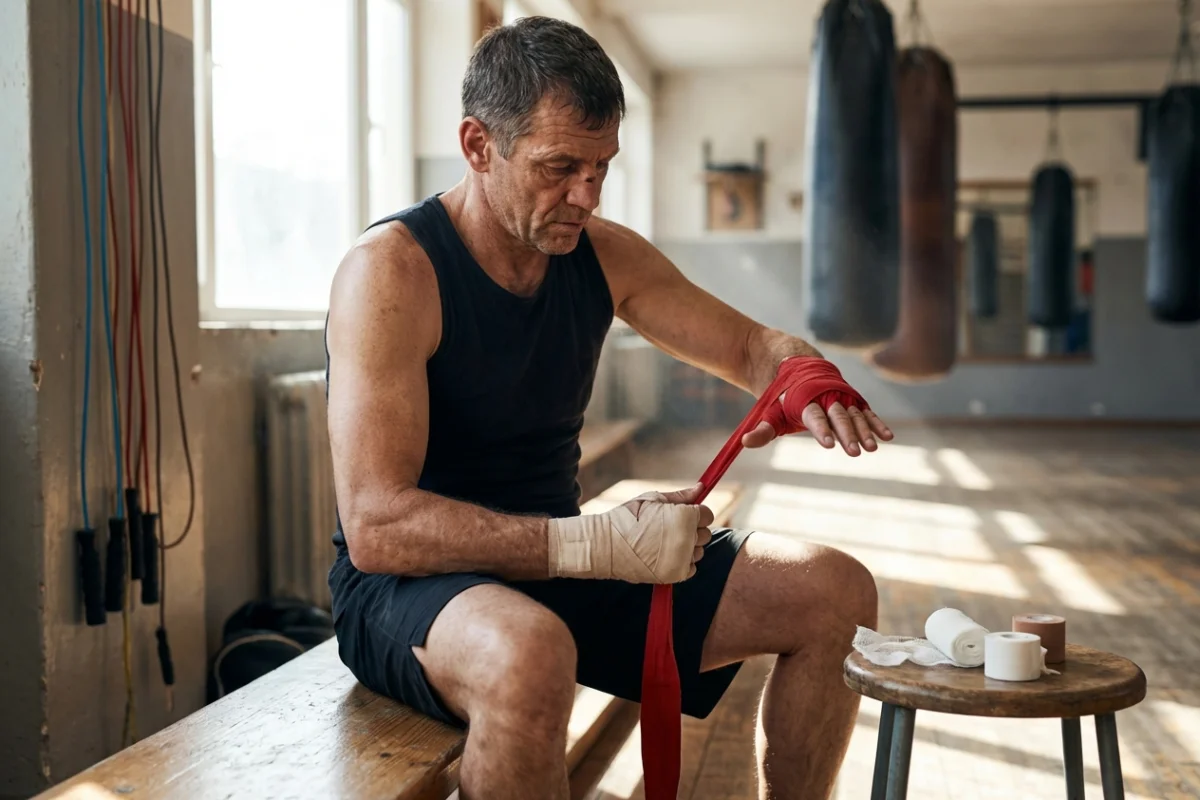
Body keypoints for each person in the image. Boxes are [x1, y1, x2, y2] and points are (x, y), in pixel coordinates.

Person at [324, 15, 891, 800]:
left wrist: (802, 375)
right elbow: (378, 527)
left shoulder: (601, 254)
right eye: (560, 167)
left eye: (601, 167)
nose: (585, 196)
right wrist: (595, 547)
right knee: (529, 653)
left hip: (561, 564)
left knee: (836, 592)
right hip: (411, 588)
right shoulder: (390, 274)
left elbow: (749, 345)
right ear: (478, 145)